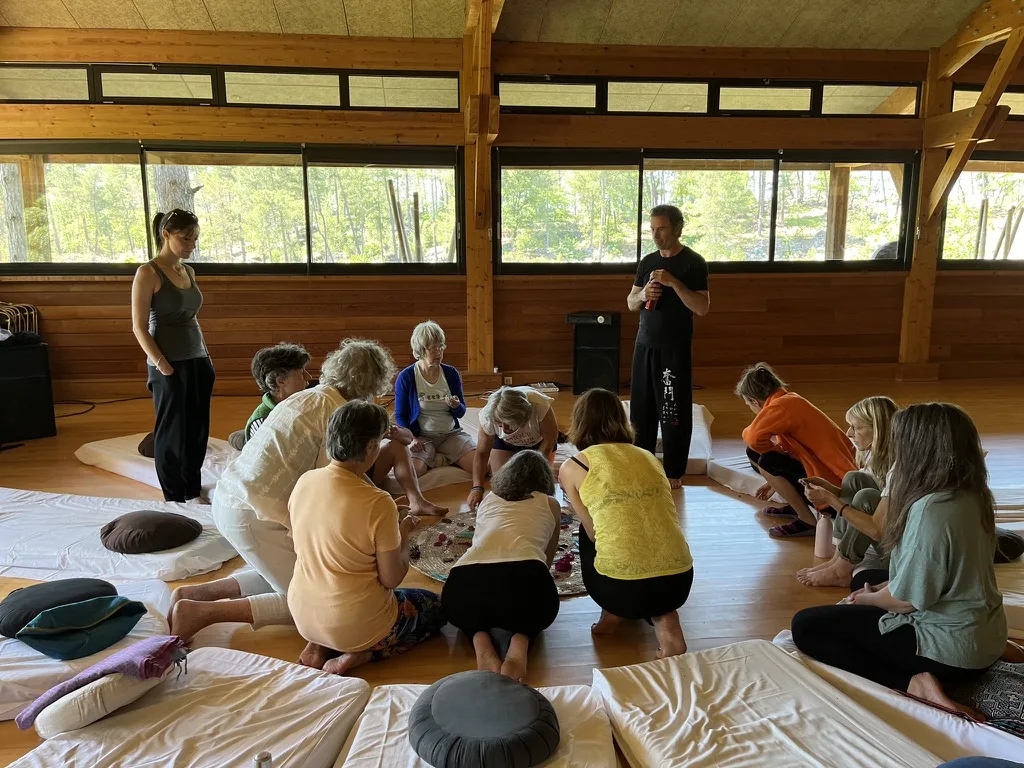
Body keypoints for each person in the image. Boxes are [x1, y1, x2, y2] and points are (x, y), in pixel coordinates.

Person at [168, 338, 446, 641]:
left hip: (232, 499)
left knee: (302, 569)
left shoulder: (310, 395)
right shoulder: (337, 414)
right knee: (315, 602)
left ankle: (199, 594)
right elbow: (341, 482)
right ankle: (201, 613)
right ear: (373, 382)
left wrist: (381, 502)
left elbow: (345, 476)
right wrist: (385, 514)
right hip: (254, 514)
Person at [791, 403, 1008, 717]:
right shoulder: (972, 492)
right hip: (985, 633)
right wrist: (876, 590)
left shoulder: (931, 509)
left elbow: (906, 601)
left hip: (953, 653)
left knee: (806, 626)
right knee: (863, 579)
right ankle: (987, 644)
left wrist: (866, 600)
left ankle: (912, 685)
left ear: (917, 451)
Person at [288, 401, 446, 675]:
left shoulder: (305, 480)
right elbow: (391, 579)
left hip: (302, 614)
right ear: (371, 446)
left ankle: (318, 645)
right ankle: (361, 654)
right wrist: (403, 531)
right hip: (355, 624)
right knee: (437, 607)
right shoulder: (378, 502)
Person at [559, 388, 694, 659]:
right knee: (648, 530)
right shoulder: (648, 456)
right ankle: (667, 624)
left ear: (580, 422)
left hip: (620, 589)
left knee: (589, 532)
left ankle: (611, 616)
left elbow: (594, 534)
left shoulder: (573, 466)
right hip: (679, 582)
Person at [442, 450, 561, 682]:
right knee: (536, 610)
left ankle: (480, 639)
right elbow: (547, 559)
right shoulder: (551, 504)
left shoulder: (488, 499)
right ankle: (520, 640)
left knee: (464, 611)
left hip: (465, 580)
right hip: (526, 573)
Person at [130, 209, 214, 503]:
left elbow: (192, 318)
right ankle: (174, 495)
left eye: (195, 239)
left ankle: (192, 488)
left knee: (197, 429)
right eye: (185, 238)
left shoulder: (188, 272)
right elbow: (139, 327)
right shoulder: (148, 272)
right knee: (172, 431)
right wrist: (162, 365)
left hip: (198, 359)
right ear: (166, 234)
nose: (192, 245)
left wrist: (205, 359)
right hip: (168, 363)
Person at [626, 204, 710, 489]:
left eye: (661, 229)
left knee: (673, 410)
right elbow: (630, 302)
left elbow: (702, 307)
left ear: (677, 229)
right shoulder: (647, 262)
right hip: (644, 345)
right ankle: (643, 466)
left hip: (674, 348)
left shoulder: (693, 262)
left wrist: (674, 283)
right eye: (652, 229)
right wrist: (643, 295)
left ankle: (674, 471)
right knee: (641, 410)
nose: (655, 235)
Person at [737, 363, 857, 538]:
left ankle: (807, 520)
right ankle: (796, 506)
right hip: (832, 477)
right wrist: (774, 481)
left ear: (755, 401)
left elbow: (752, 437)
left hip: (835, 490)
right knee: (757, 453)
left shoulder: (781, 406)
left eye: (749, 404)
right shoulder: (790, 399)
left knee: (768, 460)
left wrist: (774, 469)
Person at [797, 396, 898, 588]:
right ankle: (838, 559)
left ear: (878, 429)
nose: (849, 433)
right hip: (886, 530)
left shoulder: (899, 465)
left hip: (896, 551)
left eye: (856, 427)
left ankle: (841, 570)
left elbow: (876, 528)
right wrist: (830, 490)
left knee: (866, 497)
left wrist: (830, 499)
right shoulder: (875, 454)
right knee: (854, 478)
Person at [394, 320, 476, 477]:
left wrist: (456, 406)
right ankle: (441, 458)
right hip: (422, 437)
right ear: (421, 350)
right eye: (433, 348)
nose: (439, 352)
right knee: (412, 473)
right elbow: (400, 415)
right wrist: (412, 438)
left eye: (441, 347)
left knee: (480, 467)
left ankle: (440, 457)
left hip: (451, 435)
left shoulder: (451, 374)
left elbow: (461, 412)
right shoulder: (406, 377)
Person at [467, 385, 558, 511]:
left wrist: (531, 471)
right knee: (504, 487)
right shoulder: (487, 417)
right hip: (505, 443)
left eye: (509, 424)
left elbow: (550, 440)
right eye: (500, 424)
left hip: (539, 442)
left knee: (537, 488)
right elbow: (482, 453)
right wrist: (477, 487)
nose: (504, 429)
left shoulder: (539, 406)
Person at [243, 342, 312, 444]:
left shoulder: (302, 402)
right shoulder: (263, 422)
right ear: (281, 382)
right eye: (301, 374)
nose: (309, 377)